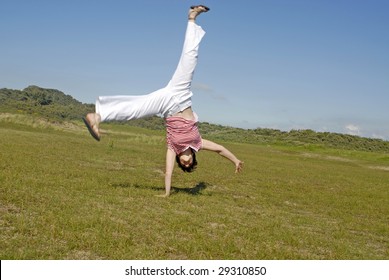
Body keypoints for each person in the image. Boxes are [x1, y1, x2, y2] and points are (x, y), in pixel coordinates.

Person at [83, 5, 244, 197]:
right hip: (180, 95)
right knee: (190, 58)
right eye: (189, 163)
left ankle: (97, 116)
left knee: (137, 108)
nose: (185, 163)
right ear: (193, 158)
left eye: (183, 165)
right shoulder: (198, 143)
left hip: (167, 106)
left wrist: (167, 193)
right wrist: (235, 160)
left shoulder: (172, 147)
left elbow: (168, 172)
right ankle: (192, 18)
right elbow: (220, 149)